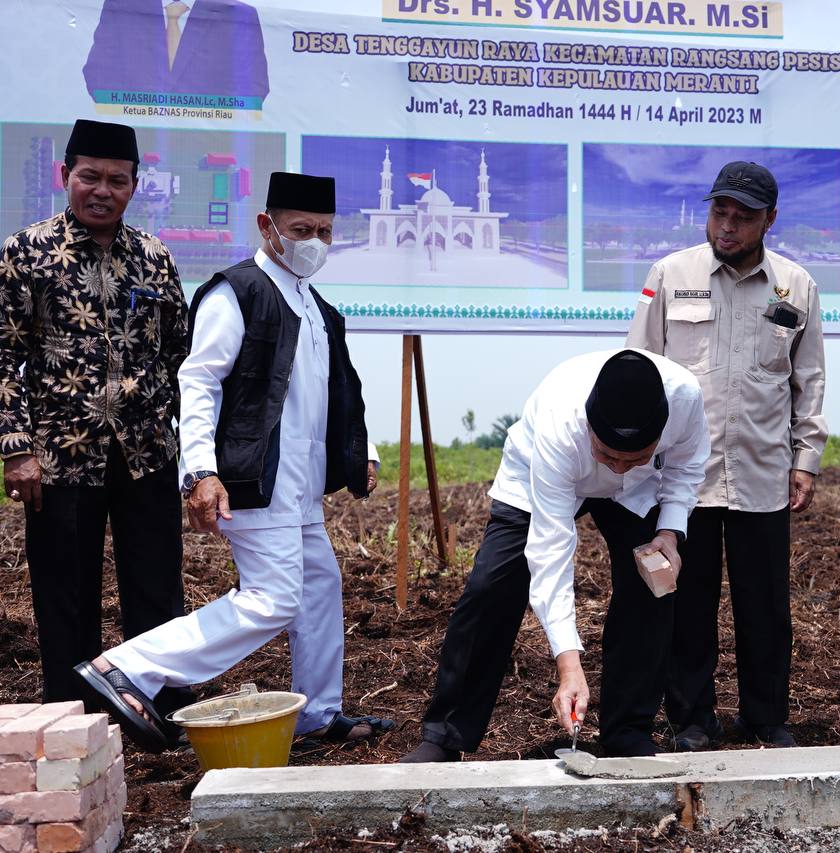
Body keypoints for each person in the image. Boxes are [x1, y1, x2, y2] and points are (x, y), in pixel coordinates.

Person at [74, 172, 390, 752]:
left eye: (323, 231)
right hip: (254, 476)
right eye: (301, 230)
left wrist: (360, 451)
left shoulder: (316, 305)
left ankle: (318, 714)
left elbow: (336, 388)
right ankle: (128, 667)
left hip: (300, 486)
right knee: (273, 599)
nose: (314, 242)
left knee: (320, 586)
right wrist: (200, 471)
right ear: (267, 226)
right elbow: (198, 382)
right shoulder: (238, 290)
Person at [400, 349, 710, 762]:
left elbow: (686, 468)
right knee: (491, 586)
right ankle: (445, 735)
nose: (617, 468)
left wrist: (669, 533)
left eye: (632, 456)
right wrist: (569, 665)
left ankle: (627, 730)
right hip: (540, 476)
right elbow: (550, 550)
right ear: (589, 426)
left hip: (640, 491)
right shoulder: (560, 420)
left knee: (653, 583)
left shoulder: (685, 398)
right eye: (607, 455)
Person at [626, 161, 828, 751]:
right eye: (720, 213)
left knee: (765, 606)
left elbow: (808, 379)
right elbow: (639, 368)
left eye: (743, 217)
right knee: (687, 604)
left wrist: (805, 457)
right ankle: (691, 720)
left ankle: (767, 717)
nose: (729, 227)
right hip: (684, 478)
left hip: (763, 472)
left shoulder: (795, 287)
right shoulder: (670, 275)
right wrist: (643, 466)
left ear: (770, 219)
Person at [0, 119, 194, 724]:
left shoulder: (154, 257)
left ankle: (159, 709)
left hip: (146, 453)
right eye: (90, 177)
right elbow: (4, 355)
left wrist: (193, 453)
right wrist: (15, 448)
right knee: (65, 590)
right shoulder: (26, 252)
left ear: (135, 186)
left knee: (156, 586)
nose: (102, 190)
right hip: (58, 457)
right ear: (66, 177)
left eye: (117, 179)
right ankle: (70, 716)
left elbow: (180, 356)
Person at [83, 0, 270, 104]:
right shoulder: (122, 6)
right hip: (133, 138)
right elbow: (98, 75)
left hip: (210, 141)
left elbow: (253, 89)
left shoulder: (240, 16)